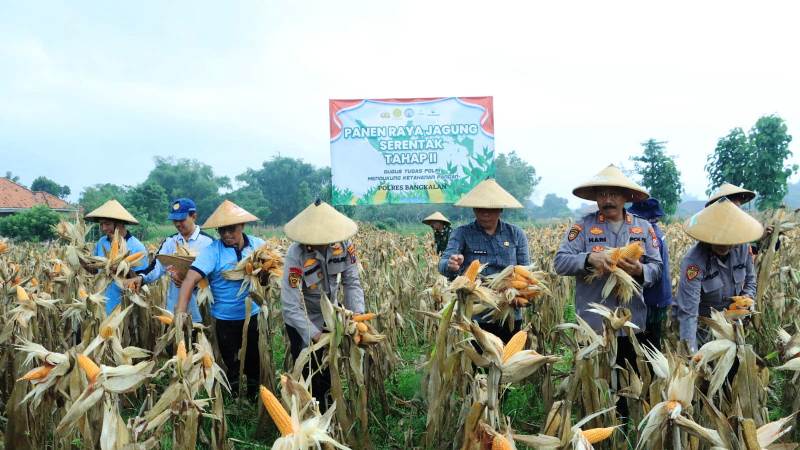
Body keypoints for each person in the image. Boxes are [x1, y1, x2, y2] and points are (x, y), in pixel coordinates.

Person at [554, 164, 662, 417]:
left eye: (614, 194)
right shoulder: (582, 228)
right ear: (596, 198)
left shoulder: (644, 228)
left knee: (630, 386)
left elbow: (657, 269)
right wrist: (590, 258)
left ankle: (628, 431)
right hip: (595, 326)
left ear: (626, 198)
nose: (608, 199)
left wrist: (639, 270)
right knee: (597, 387)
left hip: (631, 323)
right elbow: (560, 262)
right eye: (602, 194)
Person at [280, 199, 365, 408]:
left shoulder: (344, 246)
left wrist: (356, 317)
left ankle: (328, 409)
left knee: (328, 370)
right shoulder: (296, 253)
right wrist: (315, 335)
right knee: (309, 371)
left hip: (331, 316)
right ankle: (309, 412)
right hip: (304, 320)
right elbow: (290, 304)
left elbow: (351, 282)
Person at [175, 200, 264, 395]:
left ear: (242, 226)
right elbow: (190, 279)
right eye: (221, 231)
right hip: (225, 319)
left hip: (253, 316)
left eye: (231, 229)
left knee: (253, 361)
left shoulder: (258, 246)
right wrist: (180, 312)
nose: (226, 235)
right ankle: (233, 398)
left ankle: (253, 397)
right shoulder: (213, 251)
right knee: (231, 362)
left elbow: (269, 274)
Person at [438, 178, 529, 342]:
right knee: (475, 362)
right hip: (473, 314)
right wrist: (451, 265)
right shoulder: (462, 233)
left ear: (500, 209)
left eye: (491, 209)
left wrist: (522, 294)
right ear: (473, 209)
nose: (485, 212)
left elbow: (525, 271)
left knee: (505, 361)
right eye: (480, 208)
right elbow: (443, 264)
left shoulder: (516, 234)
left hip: (508, 312)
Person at [675, 198, 762, 352]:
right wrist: (691, 353)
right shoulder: (694, 261)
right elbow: (689, 313)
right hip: (704, 327)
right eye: (718, 238)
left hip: (734, 325)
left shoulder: (743, 249)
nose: (723, 244)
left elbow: (750, 280)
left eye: (728, 238)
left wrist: (745, 300)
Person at [130, 198, 213, 323]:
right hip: (174, 310)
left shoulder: (209, 242)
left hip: (200, 311)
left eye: (182, 220)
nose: (178, 224)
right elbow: (157, 266)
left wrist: (193, 284)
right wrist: (141, 278)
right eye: (175, 220)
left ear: (194, 216)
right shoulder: (170, 242)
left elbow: (216, 276)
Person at [84, 199, 149, 315]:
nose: (103, 228)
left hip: (123, 308)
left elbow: (141, 281)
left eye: (107, 224)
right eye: (101, 224)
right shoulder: (102, 242)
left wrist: (122, 270)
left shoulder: (137, 247)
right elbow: (95, 270)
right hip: (100, 302)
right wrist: (81, 259)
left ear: (120, 224)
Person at [628, 198, 672, 350]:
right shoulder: (656, 232)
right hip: (660, 296)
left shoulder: (649, 236)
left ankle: (648, 373)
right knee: (653, 340)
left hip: (651, 298)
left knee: (645, 344)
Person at [706, 182, 778, 254]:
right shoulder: (698, 255)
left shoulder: (742, 247)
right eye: (731, 211)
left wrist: (766, 237)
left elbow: (755, 249)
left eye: (737, 211)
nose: (736, 215)